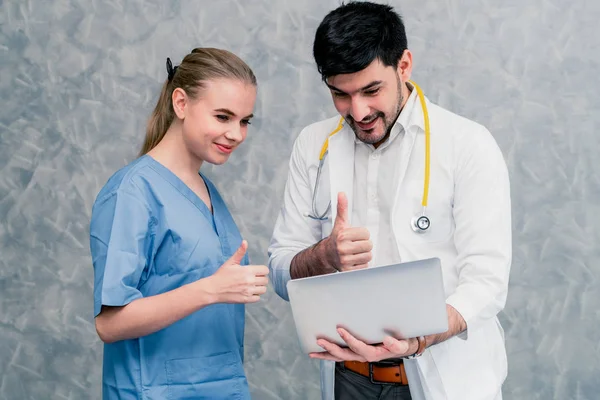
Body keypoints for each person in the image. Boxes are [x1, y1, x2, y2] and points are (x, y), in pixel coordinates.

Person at [268, 2, 512, 400]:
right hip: (347, 380)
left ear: (404, 66)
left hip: (444, 377)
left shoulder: (468, 144)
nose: (358, 111)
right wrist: (323, 256)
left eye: (371, 90)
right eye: (340, 95)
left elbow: (486, 282)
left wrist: (417, 341)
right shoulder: (313, 146)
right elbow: (281, 269)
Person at [89, 48, 269, 400]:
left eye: (245, 120)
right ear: (181, 103)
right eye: (223, 116)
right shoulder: (134, 192)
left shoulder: (208, 191)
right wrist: (211, 289)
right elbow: (109, 323)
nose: (236, 134)